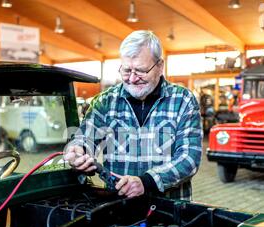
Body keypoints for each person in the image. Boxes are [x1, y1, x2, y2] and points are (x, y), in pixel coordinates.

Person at [64, 30, 203, 201]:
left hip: (169, 209)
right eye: (126, 70)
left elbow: (189, 158)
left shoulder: (183, 100)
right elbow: (85, 138)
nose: (132, 78)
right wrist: (79, 150)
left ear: (160, 66)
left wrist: (147, 182)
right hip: (118, 206)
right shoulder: (106, 101)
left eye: (141, 71)